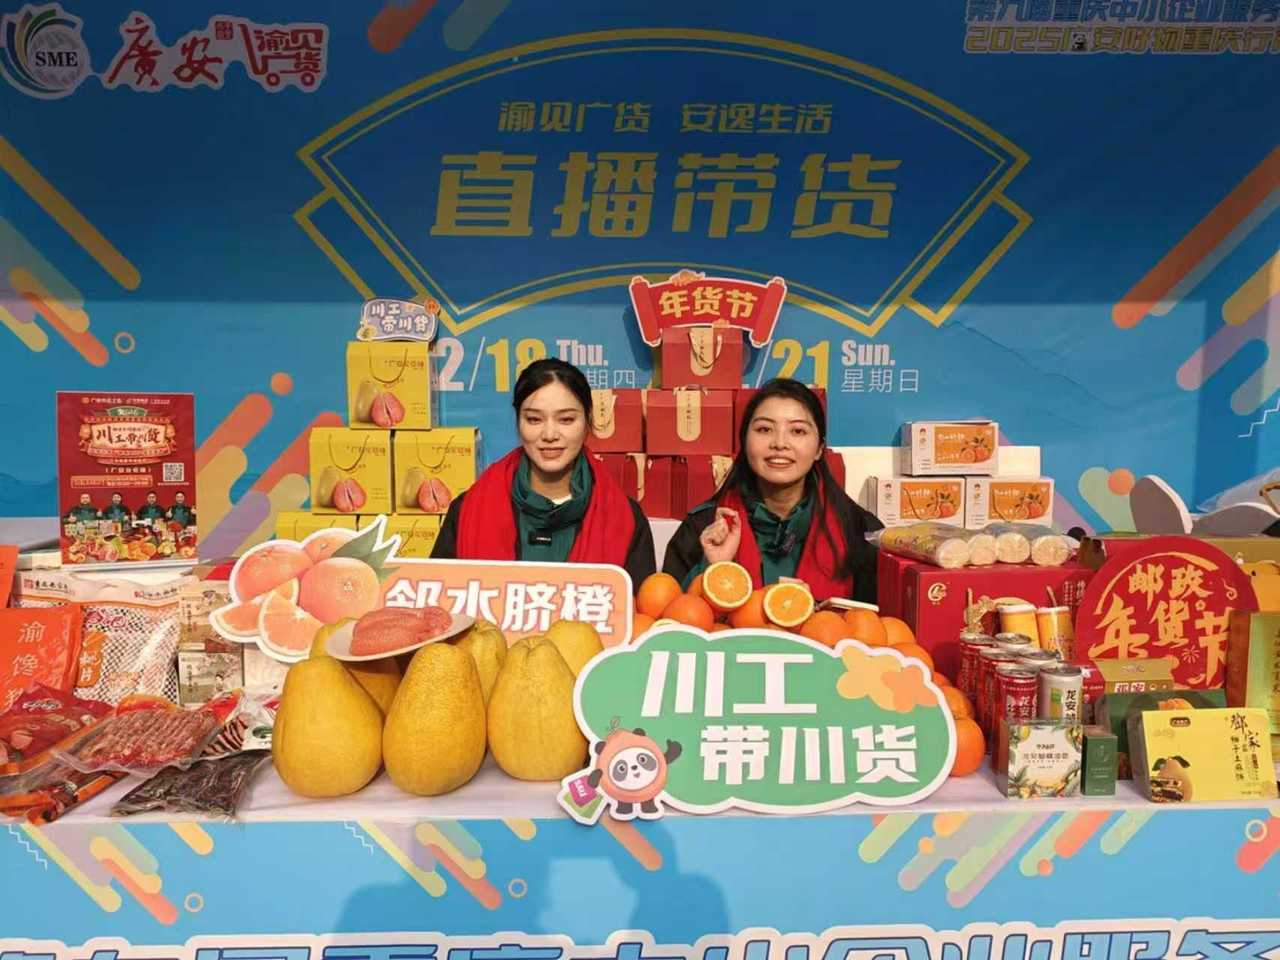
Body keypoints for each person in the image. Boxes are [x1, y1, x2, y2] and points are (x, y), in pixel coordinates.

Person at [432, 358, 656, 586]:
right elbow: (436, 597)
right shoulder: (468, 509)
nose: (549, 434)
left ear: (588, 421)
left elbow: (643, 605)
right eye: (534, 419)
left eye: (566, 419)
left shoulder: (625, 518)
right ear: (518, 422)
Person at [663, 378, 882, 603]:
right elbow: (674, 613)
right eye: (764, 429)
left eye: (797, 431)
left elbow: (875, 620)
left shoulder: (860, 531)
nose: (779, 443)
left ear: (819, 449)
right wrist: (713, 568)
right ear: (744, 442)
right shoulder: (703, 529)